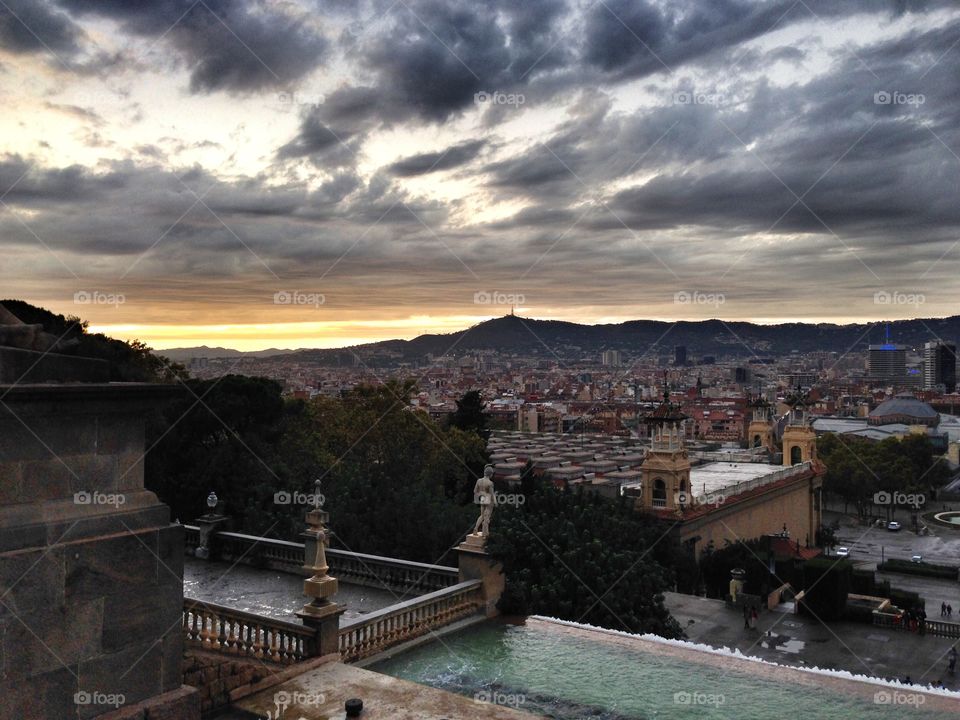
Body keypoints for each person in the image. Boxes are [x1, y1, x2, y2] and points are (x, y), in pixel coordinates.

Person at [472, 465, 496, 536]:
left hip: (482, 499)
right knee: (487, 517)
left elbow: (475, 491)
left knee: (482, 515)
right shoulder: (490, 483)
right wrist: (495, 502)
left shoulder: (479, 481)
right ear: (490, 474)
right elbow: (492, 494)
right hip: (489, 500)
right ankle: (485, 533)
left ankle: (476, 528)